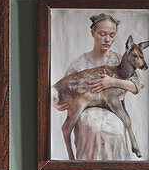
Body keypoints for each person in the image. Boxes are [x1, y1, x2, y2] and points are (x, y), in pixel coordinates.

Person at [54, 13, 143, 161]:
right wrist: (57, 103)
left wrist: (112, 82)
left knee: (116, 131)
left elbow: (136, 86)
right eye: (102, 34)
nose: (107, 39)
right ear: (92, 33)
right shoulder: (79, 63)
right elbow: (63, 88)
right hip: (85, 112)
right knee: (93, 129)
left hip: (114, 111)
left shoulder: (119, 60)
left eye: (112, 35)